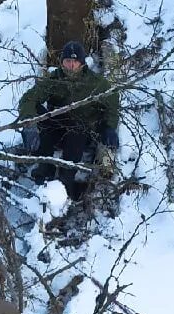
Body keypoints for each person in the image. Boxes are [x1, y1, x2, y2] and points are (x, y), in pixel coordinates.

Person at [17, 40, 120, 199]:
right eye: (68, 61)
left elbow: (112, 103)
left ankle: (67, 178)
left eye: (75, 61)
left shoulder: (96, 82)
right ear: (62, 62)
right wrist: (29, 125)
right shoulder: (54, 79)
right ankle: (45, 167)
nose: (71, 65)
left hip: (81, 131)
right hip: (57, 126)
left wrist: (109, 127)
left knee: (77, 132)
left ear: (82, 63)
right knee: (43, 118)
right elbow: (28, 99)